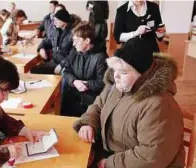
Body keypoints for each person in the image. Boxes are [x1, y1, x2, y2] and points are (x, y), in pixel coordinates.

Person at [73, 37, 185, 168]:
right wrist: (88, 123)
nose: (116, 76)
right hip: (109, 153)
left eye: (123, 72)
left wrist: (110, 163)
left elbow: (151, 156)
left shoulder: (159, 105)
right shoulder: (118, 86)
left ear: (142, 74)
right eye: (115, 70)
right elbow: (98, 106)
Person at [61, 21, 108, 117]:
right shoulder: (74, 51)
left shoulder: (101, 57)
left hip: (91, 101)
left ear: (87, 41)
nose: (73, 44)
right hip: (72, 95)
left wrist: (85, 84)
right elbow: (66, 70)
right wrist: (74, 82)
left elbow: (103, 82)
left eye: (77, 40)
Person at [31, 9, 73, 75]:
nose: (54, 22)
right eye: (54, 20)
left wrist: (61, 65)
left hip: (66, 65)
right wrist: (41, 48)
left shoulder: (72, 34)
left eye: (57, 20)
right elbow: (47, 41)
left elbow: (73, 55)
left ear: (64, 21)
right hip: (54, 62)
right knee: (33, 70)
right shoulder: (56, 31)